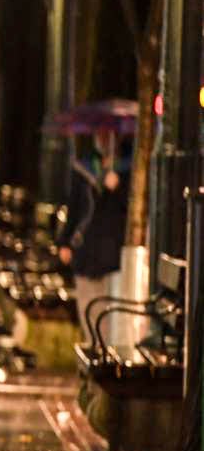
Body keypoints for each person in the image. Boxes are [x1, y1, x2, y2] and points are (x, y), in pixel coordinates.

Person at [57, 133, 129, 345]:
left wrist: (117, 189)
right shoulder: (84, 168)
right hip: (85, 249)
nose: (104, 139)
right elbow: (75, 209)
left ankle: (103, 352)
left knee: (106, 309)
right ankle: (92, 348)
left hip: (111, 252)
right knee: (87, 305)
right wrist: (64, 242)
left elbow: (130, 212)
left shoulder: (126, 169)